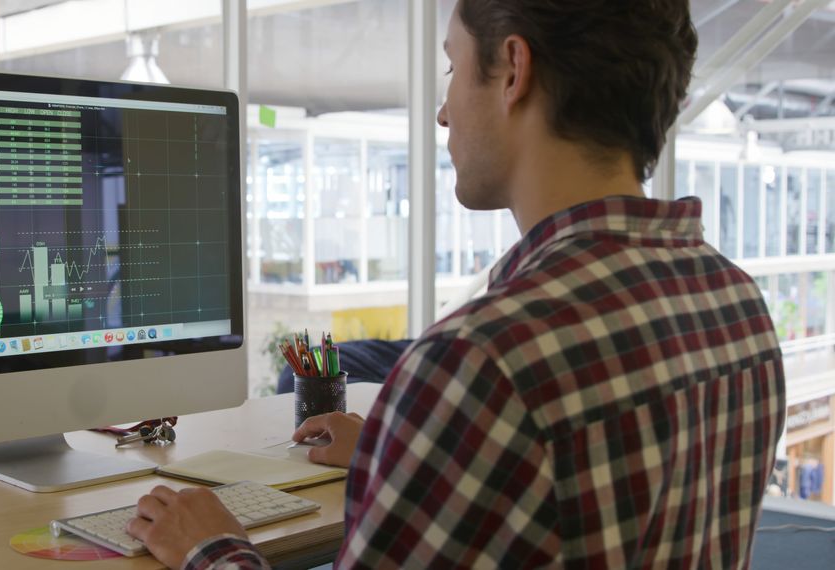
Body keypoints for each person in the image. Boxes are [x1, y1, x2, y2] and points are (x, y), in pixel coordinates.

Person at [127, 0, 787, 567]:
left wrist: (209, 546)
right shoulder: (733, 304)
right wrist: (410, 454)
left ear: (513, 71)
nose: (443, 112)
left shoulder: (483, 363)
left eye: (452, 67)